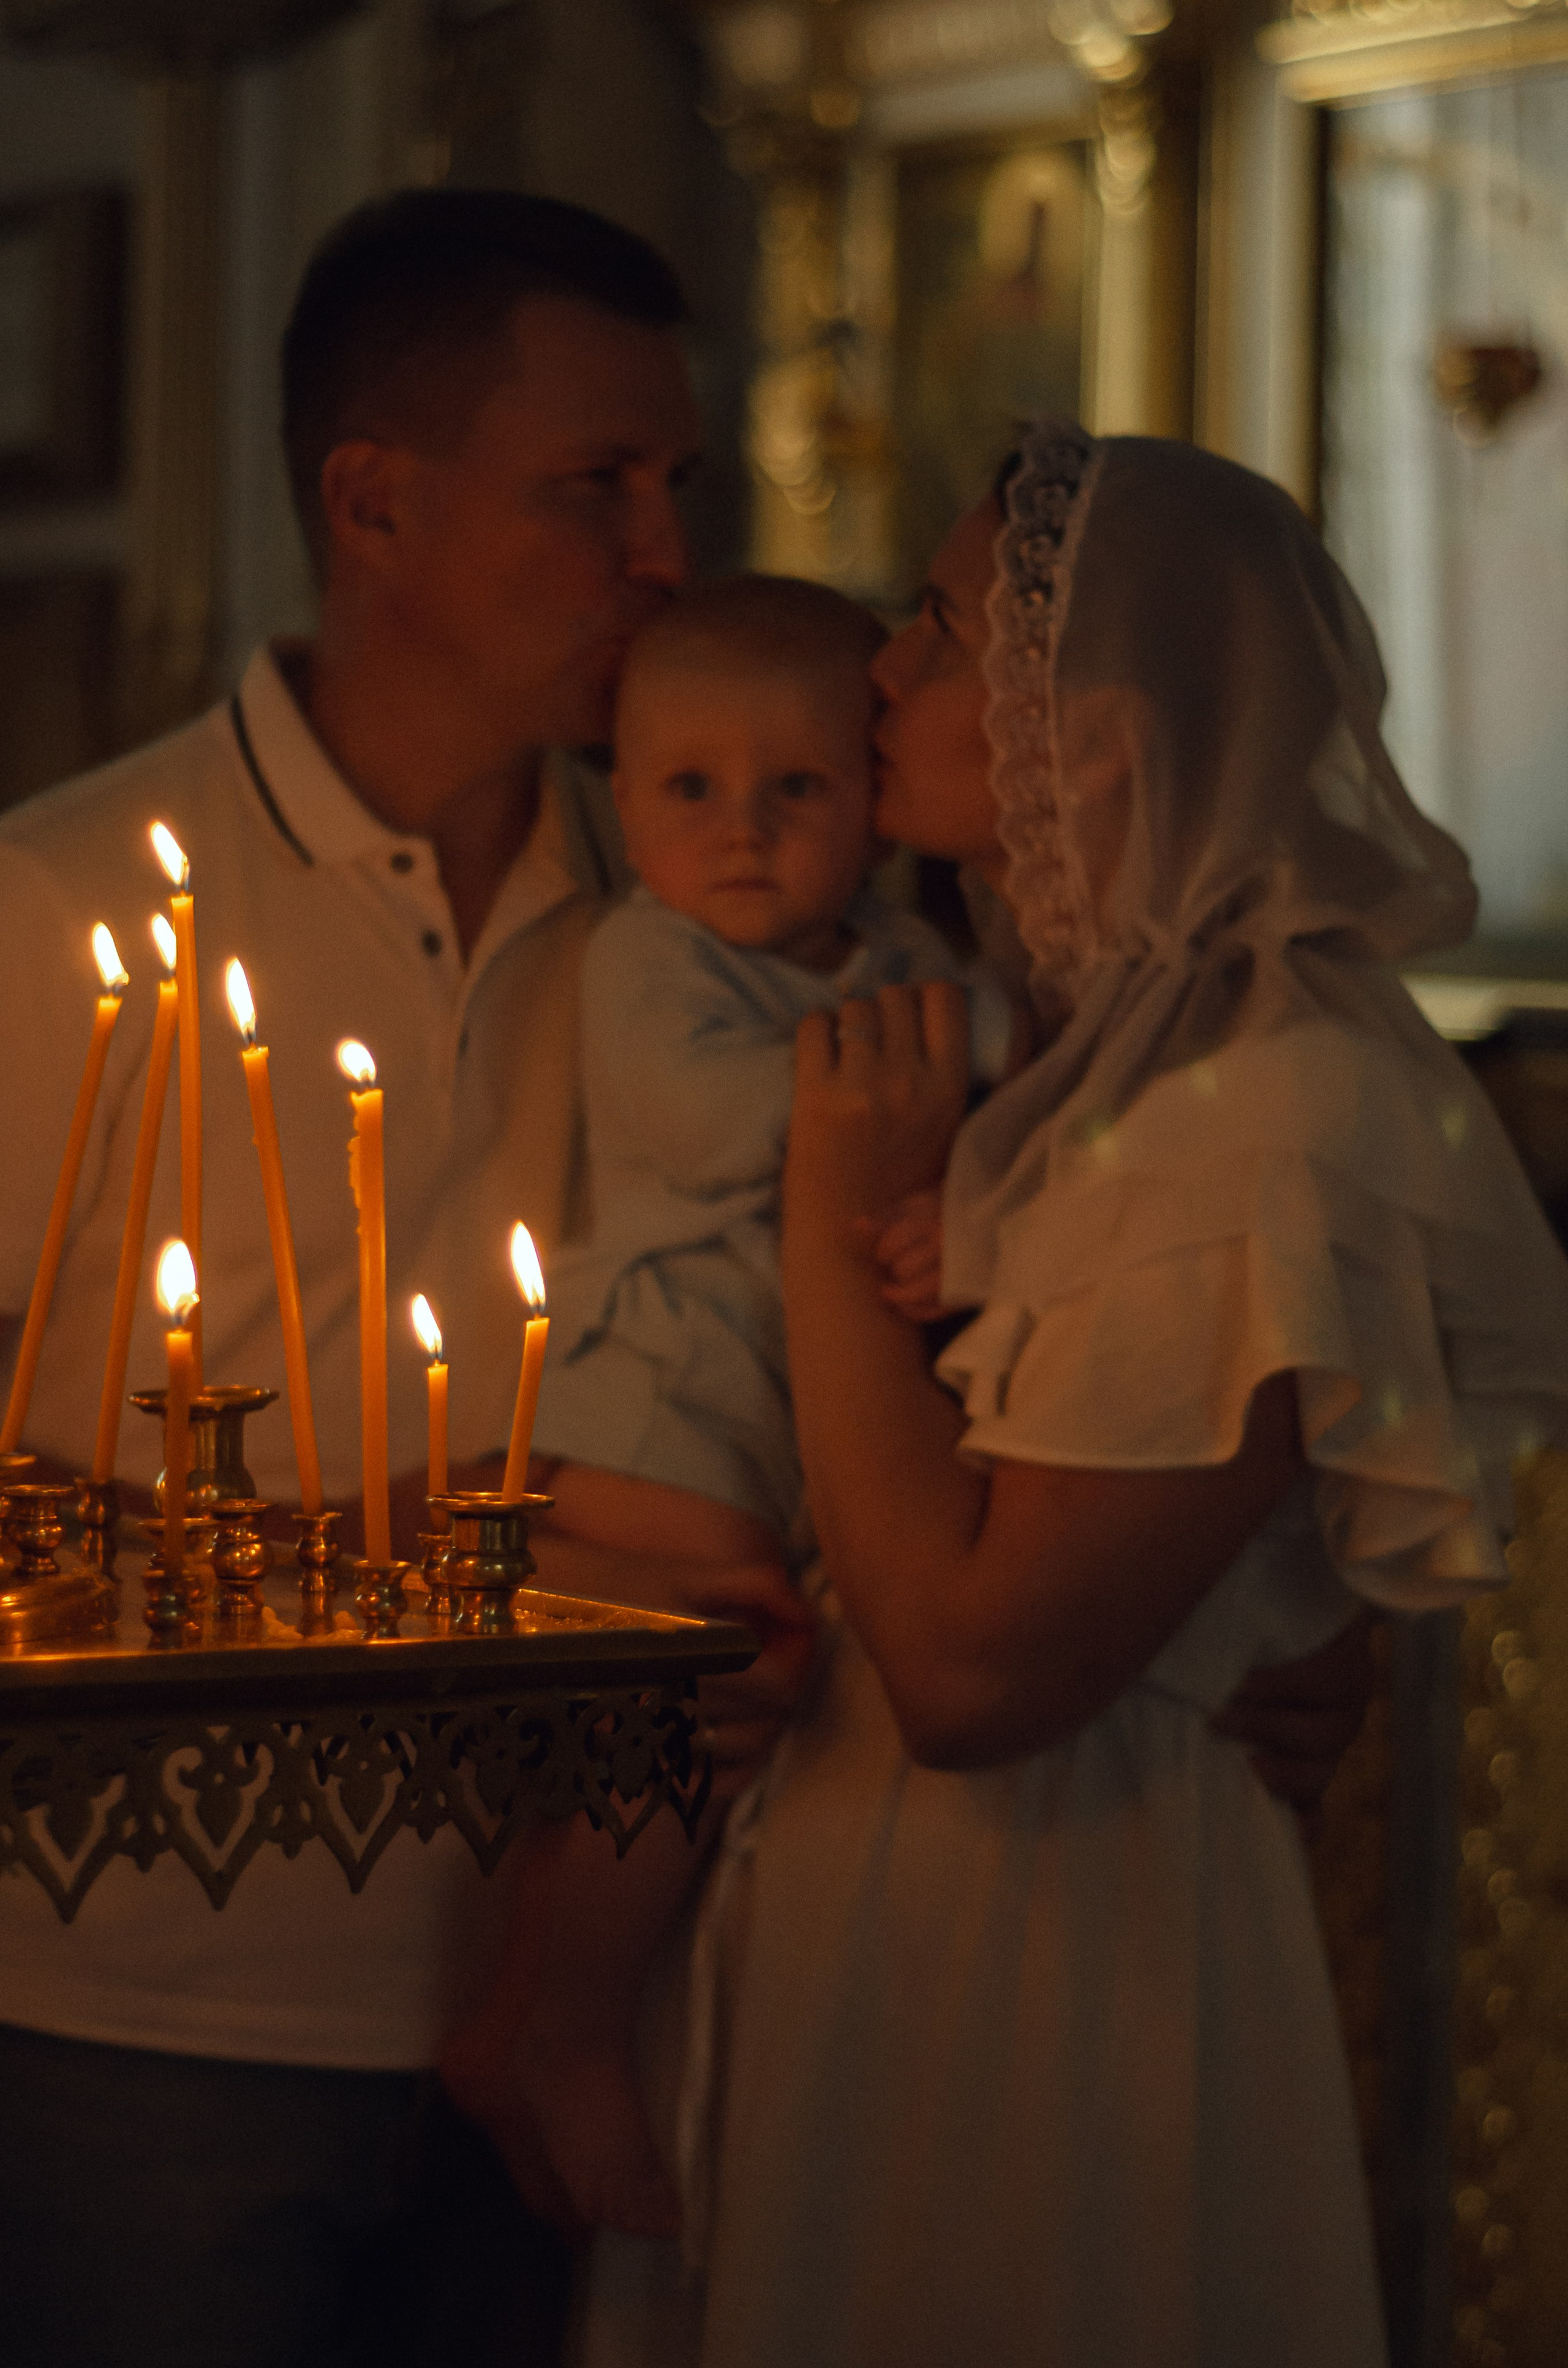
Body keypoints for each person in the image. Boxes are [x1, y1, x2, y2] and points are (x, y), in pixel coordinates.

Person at [572, 425, 1568, 2367]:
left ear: (1085, 730)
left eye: (936, 632)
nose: (878, 671)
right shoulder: (1061, 1037)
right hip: (877, 1898)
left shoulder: (1269, 1106)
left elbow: (971, 1672)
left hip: (1055, 1932)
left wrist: (836, 1211)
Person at [0, 187, 811, 2368]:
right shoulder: (55, 909)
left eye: (681, 487)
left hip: (584, 1988)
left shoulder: (713, 923)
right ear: (376, 502)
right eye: (596, 486)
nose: (666, 553)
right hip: (138, 2009)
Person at [441, 573, 1009, 2241]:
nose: (745, 830)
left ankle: (514, 2011)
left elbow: (998, 1085)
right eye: (692, 788)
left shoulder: (909, 956)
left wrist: (955, 1155)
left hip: (792, 1421)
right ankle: (571, 2022)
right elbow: (713, 1125)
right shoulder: (649, 957)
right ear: (625, 800)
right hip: (665, 1400)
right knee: (706, 1675)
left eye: (801, 788)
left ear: (875, 797)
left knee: (708, 1710)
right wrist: (917, 1116)